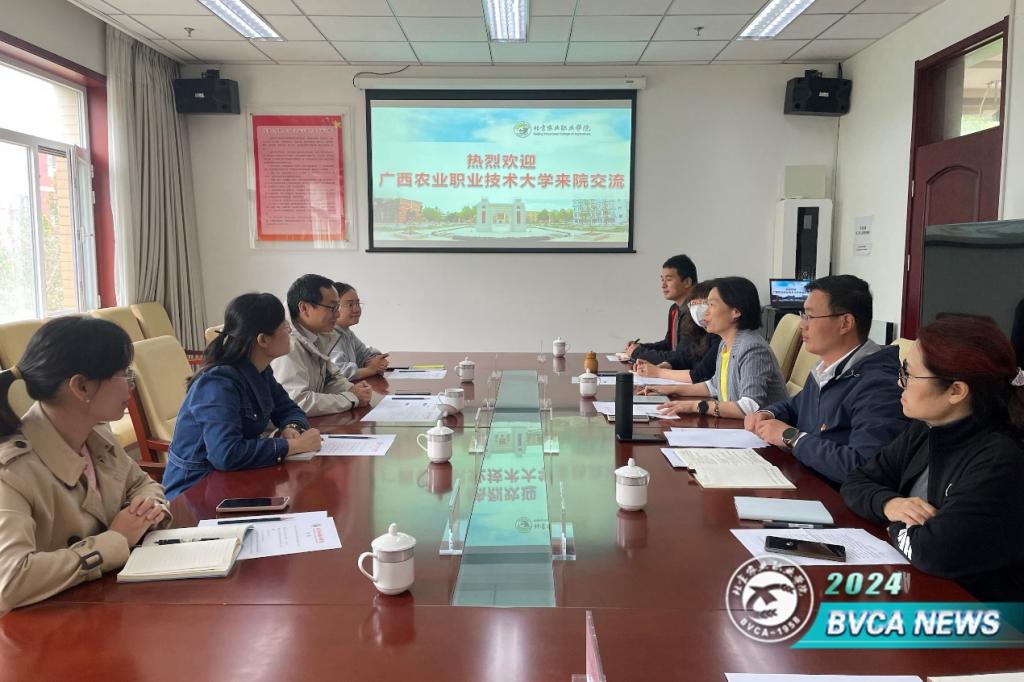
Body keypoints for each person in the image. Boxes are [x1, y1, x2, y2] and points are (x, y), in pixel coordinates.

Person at [841, 316, 1024, 601]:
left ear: (956, 391)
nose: (899, 382)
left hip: (981, 613)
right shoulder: (926, 428)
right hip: (920, 588)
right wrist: (890, 504)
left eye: (909, 374)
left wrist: (891, 523)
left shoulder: (999, 460)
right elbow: (856, 481)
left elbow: (933, 552)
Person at [0, 317, 170, 612]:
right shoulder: (12, 471)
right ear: (81, 387)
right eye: (123, 374)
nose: (131, 387)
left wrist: (146, 508)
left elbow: (143, 484)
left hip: (105, 605)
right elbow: (10, 580)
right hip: (49, 628)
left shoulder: (96, 434)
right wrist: (115, 540)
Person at [745, 275, 909, 485]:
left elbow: (864, 468)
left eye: (810, 317)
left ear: (845, 323)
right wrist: (768, 414)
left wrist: (792, 437)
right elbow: (795, 406)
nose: (802, 325)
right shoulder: (826, 369)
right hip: (802, 479)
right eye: (802, 315)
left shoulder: (879, 385)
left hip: (834, 498)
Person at [163, 293, 322, 500]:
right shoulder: (218, 383)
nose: (289, 330)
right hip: (197, 491)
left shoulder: (260, 369)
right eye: (284, 326)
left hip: (236, 478)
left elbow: (288, 408)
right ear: (263, 339)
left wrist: (291, 427)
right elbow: (226, 454)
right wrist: (293, 446)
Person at [653, 277, 788, 419]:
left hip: (762, 430)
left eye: (711, 305)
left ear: (735, 312)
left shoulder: (752, 348)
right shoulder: (725, 344)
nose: (705, 312)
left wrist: (696, 406)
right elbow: (714, 386)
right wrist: (672, 390)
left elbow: (750, 406)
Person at [272, 274, 373, 417]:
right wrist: (350, 398)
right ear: (304, 308)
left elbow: (330, 378)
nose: (337, 314)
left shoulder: (317, 335)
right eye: (332, 308)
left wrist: (351, 389)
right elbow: (297, 402)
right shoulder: (287, 345)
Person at [633, 279, 720, 384]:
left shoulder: (720, 337)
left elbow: (699, 375)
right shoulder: (698, 330)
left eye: (704, 303)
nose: (697, 309)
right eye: (694, 304)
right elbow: (683, 357)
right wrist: (658, 367)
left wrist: (658, 372)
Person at [624, 255, 699, 367]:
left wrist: (638, 353)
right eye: (662, 280)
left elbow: (681, 357)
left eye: (668, 280)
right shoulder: (674, 309)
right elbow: (669, 344)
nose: (663, 285)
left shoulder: (697, 313)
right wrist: (641, 347)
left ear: (687, 282)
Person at [328, 282, 389, 381]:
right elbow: (339, 372)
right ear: (334, 307)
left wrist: (376, 358)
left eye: (357, 304)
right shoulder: (329, 335)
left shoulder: (346, 332)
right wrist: (371, 369)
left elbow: (364, 353)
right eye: (350, 304)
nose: (356, 309)